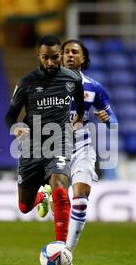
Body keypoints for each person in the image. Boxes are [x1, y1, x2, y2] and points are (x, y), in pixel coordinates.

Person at [36, 39, 118, 253]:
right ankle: (45, 193)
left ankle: (67, 251)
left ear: (83, 58)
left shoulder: (94, 87)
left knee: (81, 195)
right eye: (65, 52)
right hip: (54, 145)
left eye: (75, 52)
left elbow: (114, 122)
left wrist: (107, 118)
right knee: (61, 195)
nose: (69, 55)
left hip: (82, 145)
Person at [5, 35, 85, 244]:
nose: (50, 63)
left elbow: (80, 109)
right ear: (38, 56)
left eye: (55, 57)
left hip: (59, 142)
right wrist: (17, 128)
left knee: (60, 187)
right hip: (31, 147)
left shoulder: (73, 79)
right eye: (45, 58)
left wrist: (78, 121)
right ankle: (41, 197)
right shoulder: (26, 83)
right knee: (24, 207)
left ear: (61, 55)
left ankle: (61, 246)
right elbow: (9, 117)